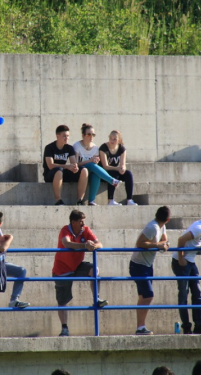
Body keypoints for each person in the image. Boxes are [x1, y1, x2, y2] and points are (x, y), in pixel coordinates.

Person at [52, 209, 107, 337]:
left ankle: (96, 299)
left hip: (77, 266)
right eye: (81, 222)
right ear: (73, 222)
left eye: (83, 221)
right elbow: (66, 243)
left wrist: (93, 245)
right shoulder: (65, 230)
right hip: (62, 269)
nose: (83, 224)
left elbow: (100, 244)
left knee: (95, 270)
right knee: (62, 301)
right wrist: (84, 246)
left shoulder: (85, 230)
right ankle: (64, 328)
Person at [130, 206, 170, 335]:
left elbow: (165, 239)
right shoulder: (152, 227)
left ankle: (140, 327)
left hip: (147, 265)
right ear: (168, 219)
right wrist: (158, 245)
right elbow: (139, 243)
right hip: (138, 265)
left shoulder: (161, 225)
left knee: (143, 296)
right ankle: (140, 327)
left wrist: (163, 244)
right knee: (148, 296)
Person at [72, 124, 120, 206]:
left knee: (96, 174)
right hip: (79, 172)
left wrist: (96, 161)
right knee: (90, 164)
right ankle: (111, 180)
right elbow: (75, 164)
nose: (91, 137)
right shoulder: (77, 146)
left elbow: (94, 164)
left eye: (93, 134)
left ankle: (91, 201)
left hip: (89, 172)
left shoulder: (95, 148)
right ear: (83, 135)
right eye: (88, 134)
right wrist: (90, 161)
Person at [43, 125, 88, 205]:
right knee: (59, 170)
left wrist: (75, 168)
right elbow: (50, 165)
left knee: (84, 170)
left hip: (62, 173)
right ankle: (58, 200)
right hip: (51, 175)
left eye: (68, 136)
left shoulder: (69, 148)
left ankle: (79, 200)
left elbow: (74, 163)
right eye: (64, 136)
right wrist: (67, 166)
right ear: (57, 136)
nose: (67, 138)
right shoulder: (49, 148)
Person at [99, 130, 137, 206]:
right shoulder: (103, 148)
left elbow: (123, 165)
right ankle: (110, 200)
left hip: (115, 171)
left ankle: (129, 199)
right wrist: (118, 169)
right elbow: (105, 166)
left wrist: (122, 169)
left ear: (119, 140)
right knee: (114, 174)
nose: (112, 140)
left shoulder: (122, 149)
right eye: (110, 138)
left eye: (114, 139)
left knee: (128, 174)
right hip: (104, 173)